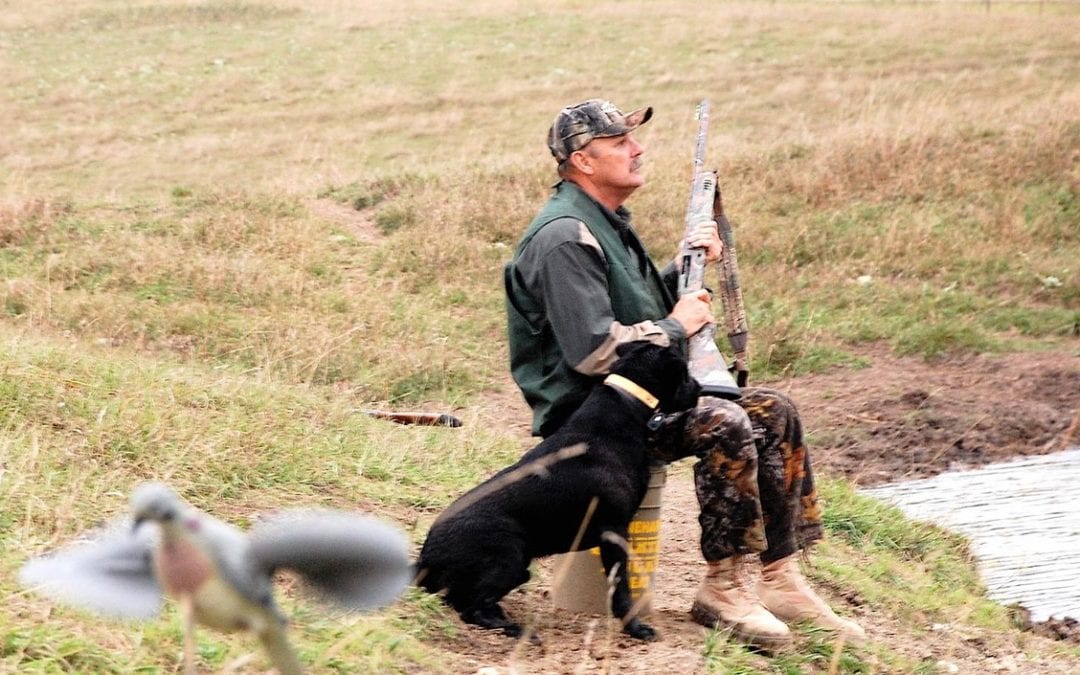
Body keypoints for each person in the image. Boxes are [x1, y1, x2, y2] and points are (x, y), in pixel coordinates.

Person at [503, 98, 865, 650]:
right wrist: (675, 326)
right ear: (582, 160)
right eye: (620, 142)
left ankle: (778, 577)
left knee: (776, 410)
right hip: (592, 420)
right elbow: (595, 351)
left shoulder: (603, 222)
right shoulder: (563, 237)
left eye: (633, 138)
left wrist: (685, 268)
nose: (638, 148)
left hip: (632, 401)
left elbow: (630, 304)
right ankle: (724, 588)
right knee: (722, 421)